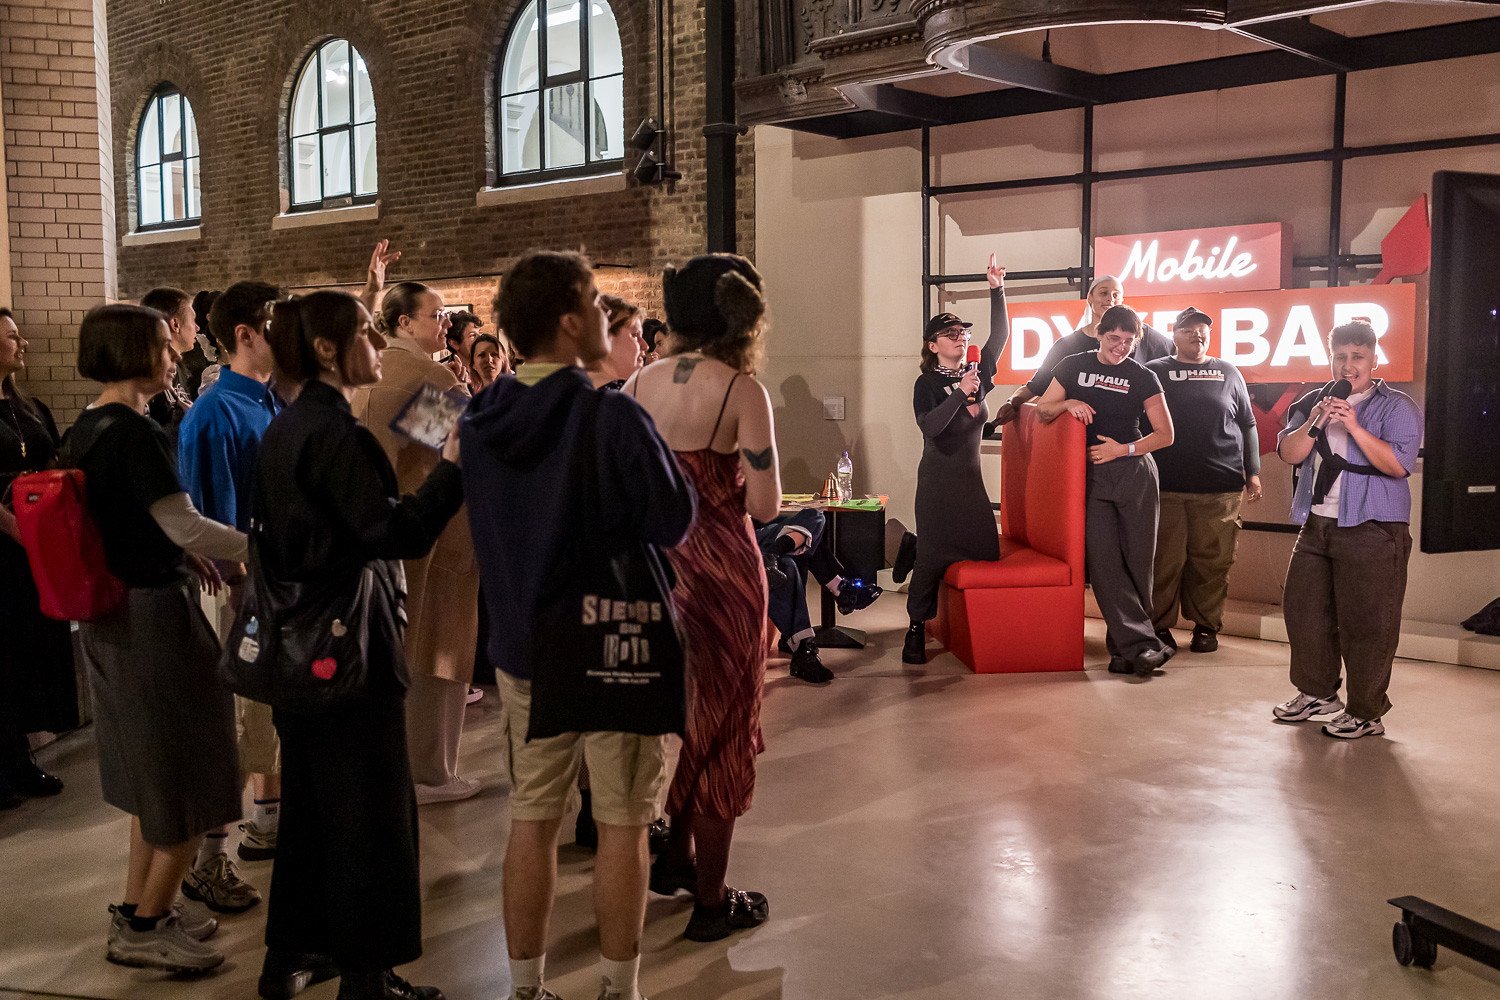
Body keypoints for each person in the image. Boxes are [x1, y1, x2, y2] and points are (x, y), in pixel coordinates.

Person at [466, 251, 694, 1000]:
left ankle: (526, 987)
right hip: (610, 642)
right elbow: (671, 518)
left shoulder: (480, 415)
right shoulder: (610, 414)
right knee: (624, 822)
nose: (607, 315)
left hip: (523, 647)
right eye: (599, 303)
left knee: (531, 818)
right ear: (570, 322)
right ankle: (615, 987)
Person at [254, 291, 462, 1000]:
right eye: (369, 332)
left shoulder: (288, 426)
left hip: (301, 642)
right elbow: (389, 532)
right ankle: (368, 977)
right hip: (349, 645)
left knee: (314, 813)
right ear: (326, 350)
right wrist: (457, 471)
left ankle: (290, 956)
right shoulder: (367, 416)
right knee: (371, 814)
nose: (378, 342)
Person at [63, 304, 249, 973]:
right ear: (135, 352)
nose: (175, 350)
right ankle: (146, 927)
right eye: (164, 342)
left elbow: (137, 526)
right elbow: (185, 524)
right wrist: (260, 546)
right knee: (189, 773)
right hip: (153, 622)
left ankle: (144, 906)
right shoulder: (134, 435)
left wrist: (181, 550)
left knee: (150, 780)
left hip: (113, 617)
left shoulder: (86, 428)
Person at [625, 253, 779, 943]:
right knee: (727, 732)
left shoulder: (637, 382)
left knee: (687, 719)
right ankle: (711, 900)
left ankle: (675, 857)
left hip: (661, 573)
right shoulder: (742, 390)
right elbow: (769, 505)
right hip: (726, 576)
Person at [176, 281, 286, 910]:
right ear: (245, 334)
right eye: (277, 322)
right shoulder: (214, 413)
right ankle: (209, 858)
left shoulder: (269, 403)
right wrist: (241, 582)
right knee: (240, 723)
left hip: (274, 585)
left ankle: (268, 820)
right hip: (241, 591)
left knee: (268, 714)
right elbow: (206, 520)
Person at [350, 281, 481, 805]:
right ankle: (431, 772)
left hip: (384, 528)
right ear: (403, 322)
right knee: (436, 652)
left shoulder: (371, 371)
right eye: (436, 314)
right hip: (434, 533)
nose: (445, 322)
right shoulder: (427, 375)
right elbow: (461, 452)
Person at [1271, 320, 1421, 740]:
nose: (1348, 365)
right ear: (1331, 357)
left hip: (1374, 527)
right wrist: (1318, 419)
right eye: (1340, 356)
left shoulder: (1397, 407)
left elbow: (1398, 465)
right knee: (1303, 612)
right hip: (1318, 523)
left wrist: (1354, 426)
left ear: (1374, 359)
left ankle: (1365, 712)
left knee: (1368, 624)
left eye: (1357, 357)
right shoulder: (1314, 401)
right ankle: (1318, 694)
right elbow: (1290, 452)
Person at [1036, 305, 1175, 677]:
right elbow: (1042, 410)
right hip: (1093, 476)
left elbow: (1165, 434)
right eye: (1114, 338)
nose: (1121, 347)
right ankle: (1144, 645)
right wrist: (1069, 402)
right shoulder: (1073, 365)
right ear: (1100, 333)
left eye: (1129, 341)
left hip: (1135, 472)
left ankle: (1124, 651)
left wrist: (1123, 449)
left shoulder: (1142, 376)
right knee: (1104, 563)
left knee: (1137, 564)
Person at [903, 254, 1009, 665]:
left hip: (970, 486)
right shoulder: (926, 383)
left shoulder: (977, 374)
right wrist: (960, 393)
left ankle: (981, 625)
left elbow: (999, 336)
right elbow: (930, 428)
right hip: (937, 486)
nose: (960, 338)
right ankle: (915, 628)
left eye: (963, 332)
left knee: (986, 553)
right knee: (931, 561)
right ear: (933, 346)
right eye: (950, 334)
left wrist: (996, 289)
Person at [1146, 306, 1262, 654]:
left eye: (1202, 330)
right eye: (1188, 330)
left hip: (1220, 488)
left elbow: (1247, 424)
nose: (1196, 335)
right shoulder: (1154, 372)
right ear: (1174, 336)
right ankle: (1158, 627)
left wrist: (1252, 472)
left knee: (1212, 563)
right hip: (1165, 487)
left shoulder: (1228, 371)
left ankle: (1206, 627)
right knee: (1163, 562)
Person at [0, 307, 75, 808]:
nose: (22, 343)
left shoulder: (25, 404)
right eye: (12, 337)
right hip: (2, 551)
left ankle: (20, 760)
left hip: (32, 548)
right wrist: (15, 527)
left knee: (26, 654)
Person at [993, 274, 1174, 426]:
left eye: (1116, 294)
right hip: (1078, 440)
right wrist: (1013, 403)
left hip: (1127, 443)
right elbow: (1036, 386)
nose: (1110, 298)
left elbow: (1175, 357)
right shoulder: (1067, 347)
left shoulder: (1144, 334)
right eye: (1103, 293)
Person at [756, 509, 881, 683]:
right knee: (794, 552)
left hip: (754, 527)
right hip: (735, 535)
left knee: (810, 523)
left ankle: (771, 557)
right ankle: (840, 588)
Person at [142, 286, 201, 455]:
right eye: (193, 320)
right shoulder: (148, 374)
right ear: (175, 324)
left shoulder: (180, 370)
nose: (197, 328)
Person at [589, 296, 647, 390]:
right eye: (635, 335)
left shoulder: (567, 392)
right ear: (604, 338)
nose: (645, 346)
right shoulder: (620, 397)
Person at [440, 310, 481, 392]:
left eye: (480, 333)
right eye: (473, 335)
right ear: (454, 343)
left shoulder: (490, 367)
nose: (480, 339)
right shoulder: (443, 374)